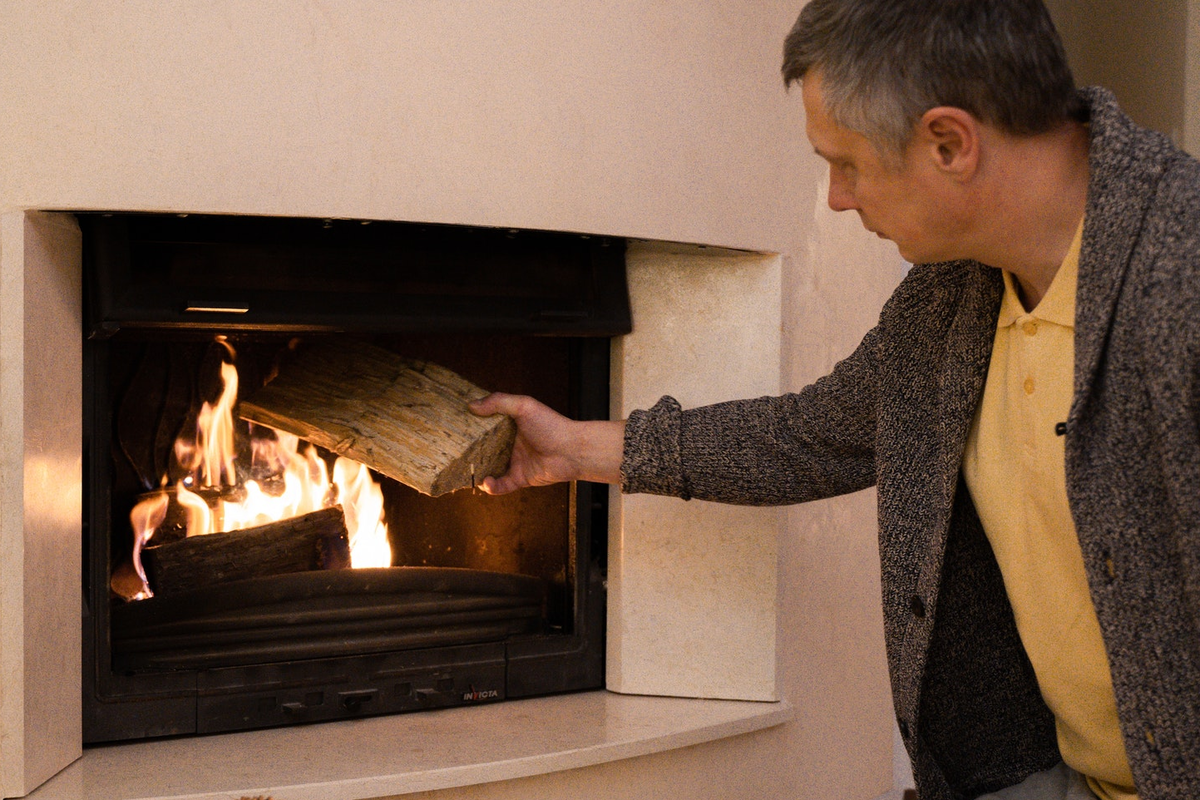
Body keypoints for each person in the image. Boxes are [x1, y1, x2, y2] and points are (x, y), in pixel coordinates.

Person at [469, 1, 1200, 798]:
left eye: (846, 163)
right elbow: (810, 436)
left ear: (949, 142)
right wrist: (574, 449)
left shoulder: (1180, 276)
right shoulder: (951, 299)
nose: (838, 198)